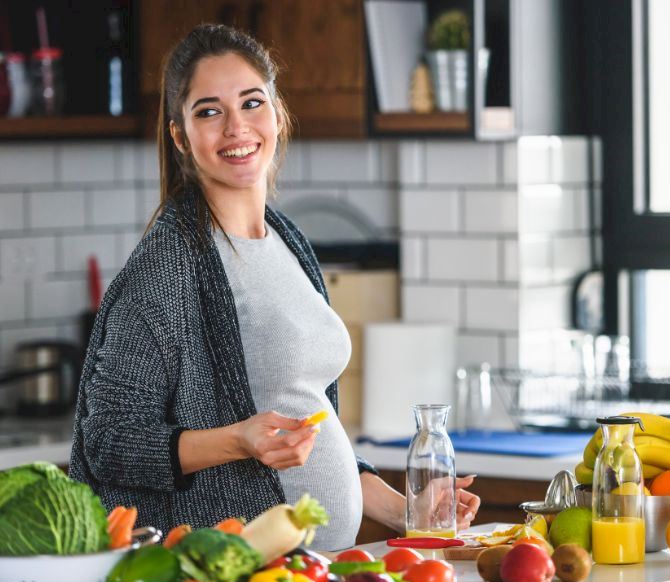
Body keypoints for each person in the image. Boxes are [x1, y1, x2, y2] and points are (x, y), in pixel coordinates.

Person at [69, 23, 479, 550]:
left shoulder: (289, 240)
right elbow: (110, 441)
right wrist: (237, 441)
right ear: (180, 135)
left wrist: (410, 511)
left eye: (251, 103)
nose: (236, 128)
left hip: (311, 570)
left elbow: (306, 426)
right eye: (209, 111)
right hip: (226, 571)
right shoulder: (167, 268)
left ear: (278, 114)